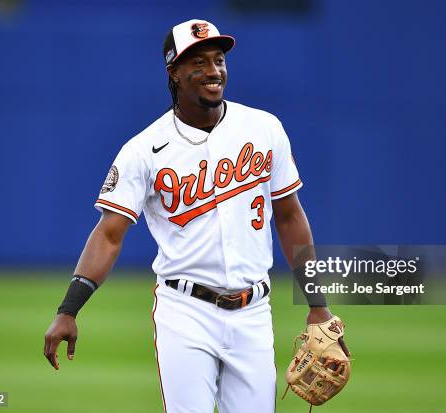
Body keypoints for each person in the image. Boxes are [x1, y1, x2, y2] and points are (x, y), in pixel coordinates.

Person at [43, 19, 335, 413]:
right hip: (185, 312)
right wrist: (68, 309)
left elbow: (289, 216)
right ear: (174, 73)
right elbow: (109, 234)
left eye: (218, 60)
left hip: (253, 314)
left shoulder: (264, 128)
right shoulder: (143, 150)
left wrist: (318, 305)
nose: (214, 71)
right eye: (198, 62)